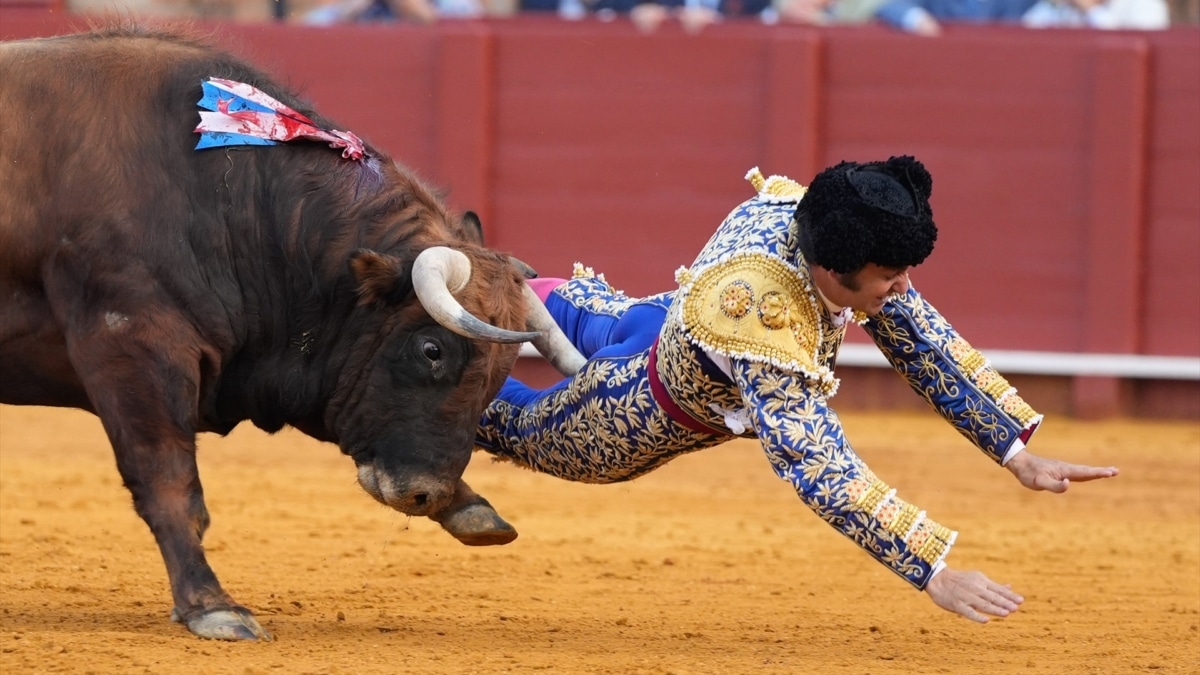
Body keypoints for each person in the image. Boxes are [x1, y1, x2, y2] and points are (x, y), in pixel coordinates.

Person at [448, 156, 1119, 623]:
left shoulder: (801, 212)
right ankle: (398, 360)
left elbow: (917, 336)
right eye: (892, 273)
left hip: (654, 320)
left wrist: (1014, 452)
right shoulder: (766, 322)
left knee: (531, 296)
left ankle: (459, 292)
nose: (904, 287)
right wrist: (933, 571)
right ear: (834, 266)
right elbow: (818, 464)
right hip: (637, 408)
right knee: (501, 419)